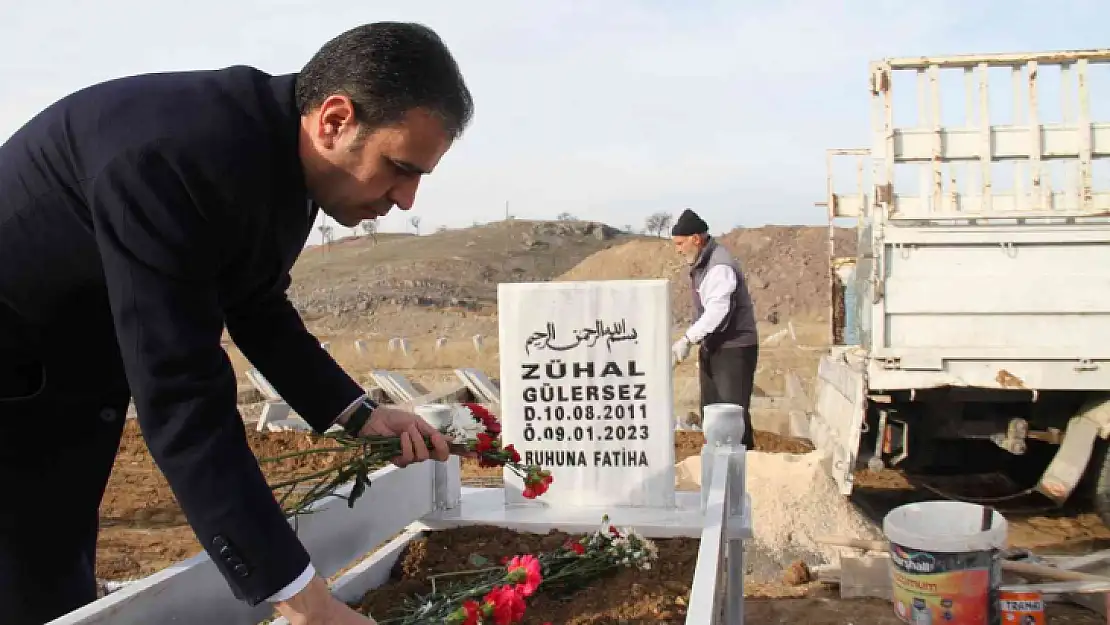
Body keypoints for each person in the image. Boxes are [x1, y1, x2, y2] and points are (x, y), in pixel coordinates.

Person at [0, 22, 471, 625]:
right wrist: (303, 599)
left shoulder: (277, 159)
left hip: (64, 376)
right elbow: (184, 396)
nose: (406, 199)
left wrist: (359, 414)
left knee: (53, 580)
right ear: (335, 120)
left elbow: (255, 302)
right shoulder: (172, 161)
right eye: (400, 167)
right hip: (16, 375)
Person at [669, 209, 759, 448]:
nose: (677, 250)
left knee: (730, 415)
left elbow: (717, 311)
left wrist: (688, 339)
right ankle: (719, 469)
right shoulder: (704, 263)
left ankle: (742, 469)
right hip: (717, 347)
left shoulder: (719, 266)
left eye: (680, 243)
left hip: (734, 348)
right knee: (712, 412)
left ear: (696, 239)